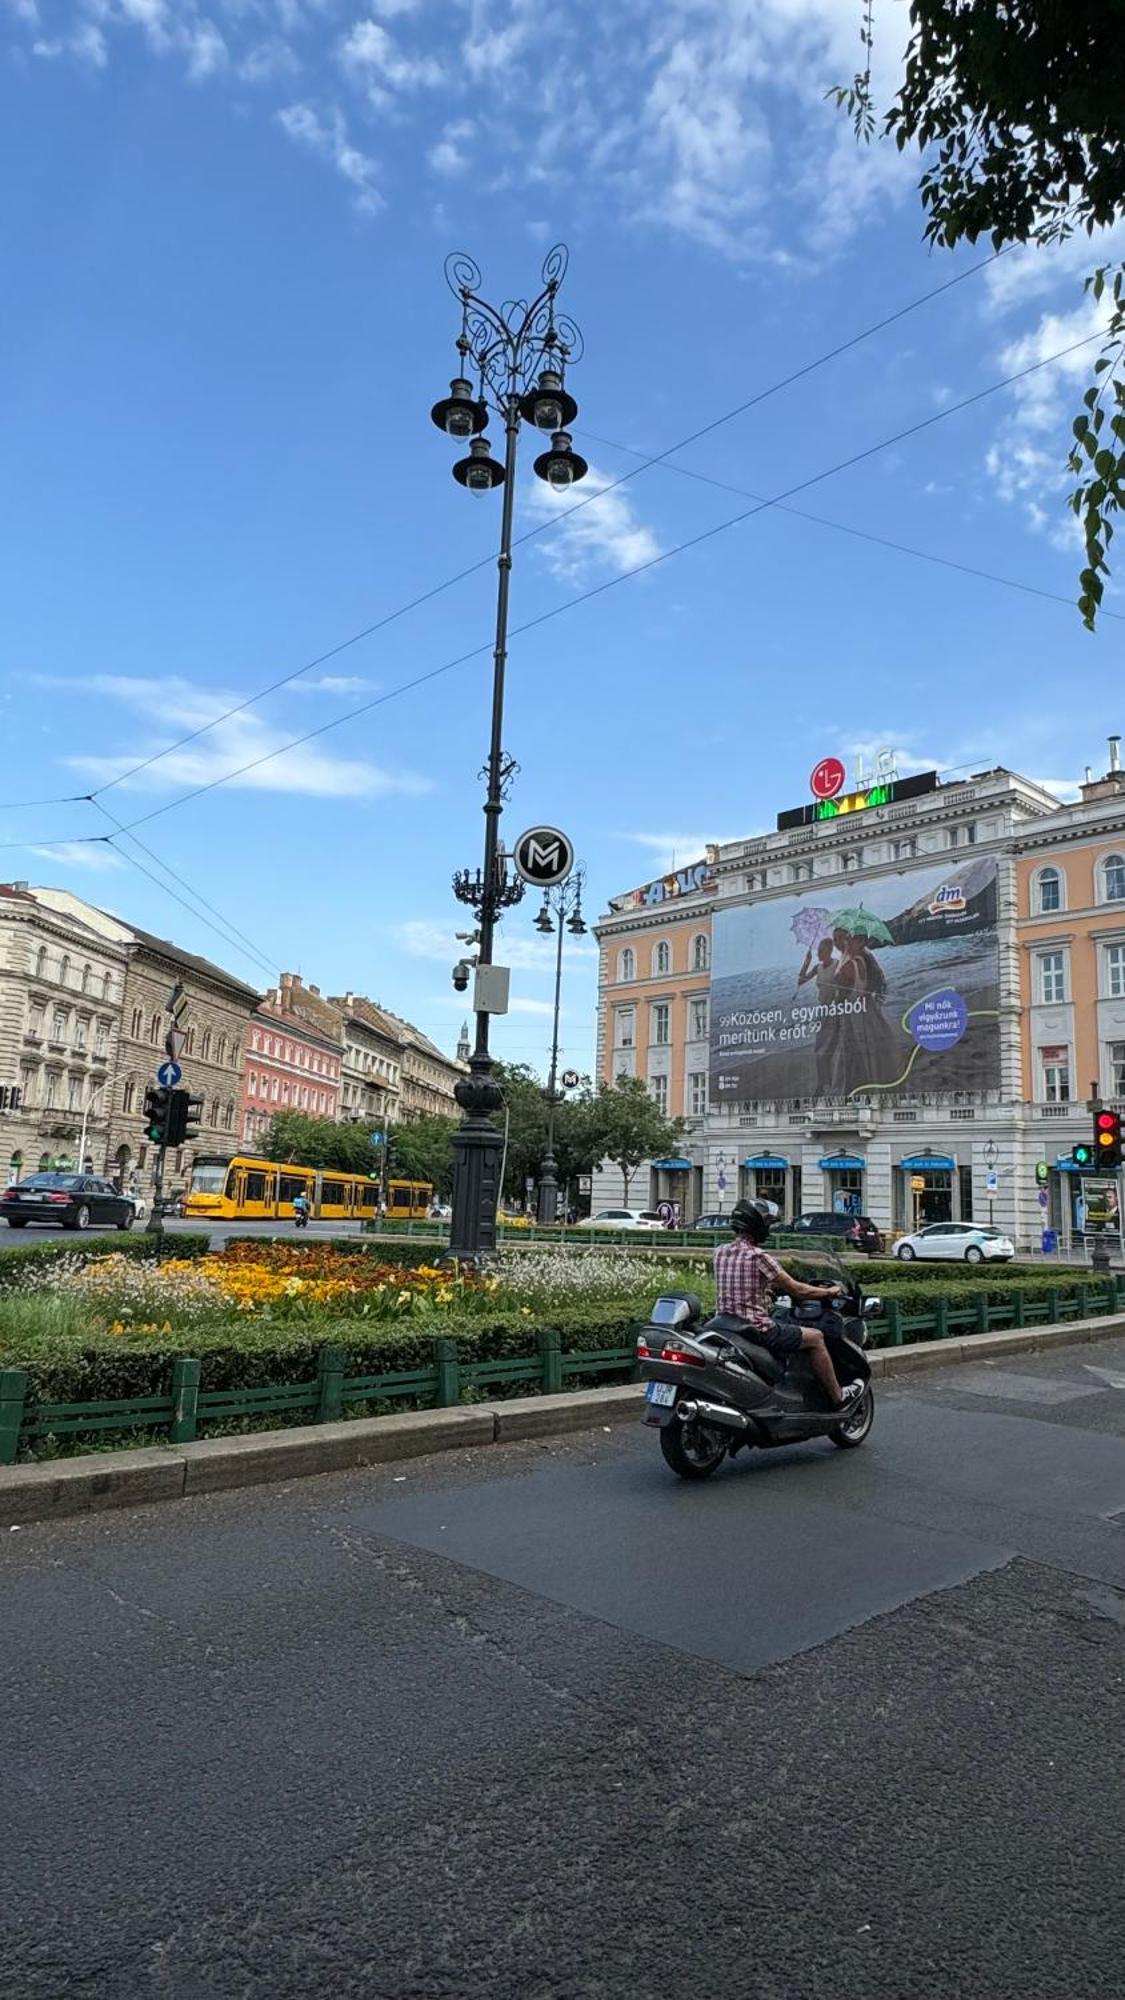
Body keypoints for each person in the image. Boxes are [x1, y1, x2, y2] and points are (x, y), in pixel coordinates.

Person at [713, 1200, 862, 1410]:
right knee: (816, 1338)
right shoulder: (758, 1257)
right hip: (758, 1328)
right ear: (758, 1226)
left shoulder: (719, 1252)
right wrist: (829, 1291)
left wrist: (766, 1291)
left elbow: (739, 1283)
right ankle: (838, 1397)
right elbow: (798, 1290)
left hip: (726, 1324)